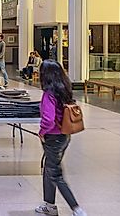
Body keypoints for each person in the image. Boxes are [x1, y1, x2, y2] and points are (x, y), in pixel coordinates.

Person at [35, 60, 87, 216]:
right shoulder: (64, 89)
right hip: (64, 136)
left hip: (53, 138)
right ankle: (49, 205)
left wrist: (42, 132)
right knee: (49, 169)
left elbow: (48, 119)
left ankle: (76, 208)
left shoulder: (48, 94)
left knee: (55, 173)